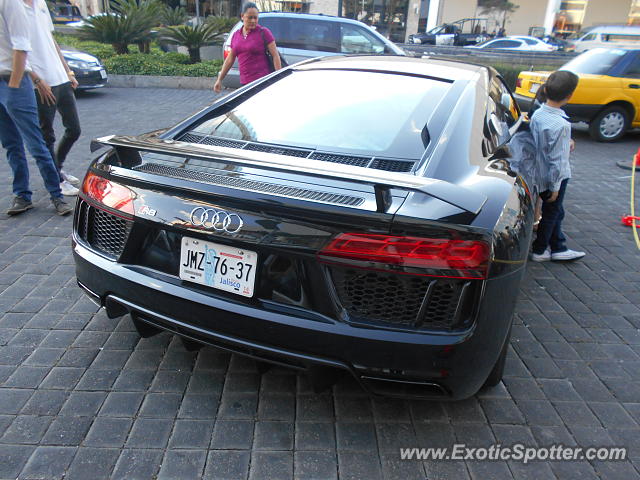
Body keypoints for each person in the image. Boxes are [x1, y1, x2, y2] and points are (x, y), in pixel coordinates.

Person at [0, 0, 72, 216]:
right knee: (11, 145)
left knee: (36, 143)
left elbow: (22, 47)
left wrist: (13, 87)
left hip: (13, 80)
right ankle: (22, 195)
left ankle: (56, 195)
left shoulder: (11, 3)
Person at [23, 0, 81, 196]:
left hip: (60, 78)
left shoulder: (40, 4)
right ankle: (56, 180)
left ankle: (57, 166)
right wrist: (37, 80)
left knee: (74, 129)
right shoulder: (11, 6)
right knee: (47, 135)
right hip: (40, 83)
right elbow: (15, 49)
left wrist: (68, 71)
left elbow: (50, 40)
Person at [529, 70, 585, 262]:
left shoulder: (538, 113)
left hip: (539, 172)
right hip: (555, 178)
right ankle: (540, 249)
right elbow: (558, 160)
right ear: (570, 95)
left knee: (556, 211)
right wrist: (555, 186)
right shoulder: (562, 124)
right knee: (552, 212)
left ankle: (559, 246)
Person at [213, 2, 282, 93]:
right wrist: (219, 79)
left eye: (255, 18)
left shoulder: (264, 33)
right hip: (244, 83)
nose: (253, 21)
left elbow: (275, 56)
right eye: (250, 17)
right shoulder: (236, 35)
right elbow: (230, 59)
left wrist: (279, 78)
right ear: (242, 16)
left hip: (261, 82)